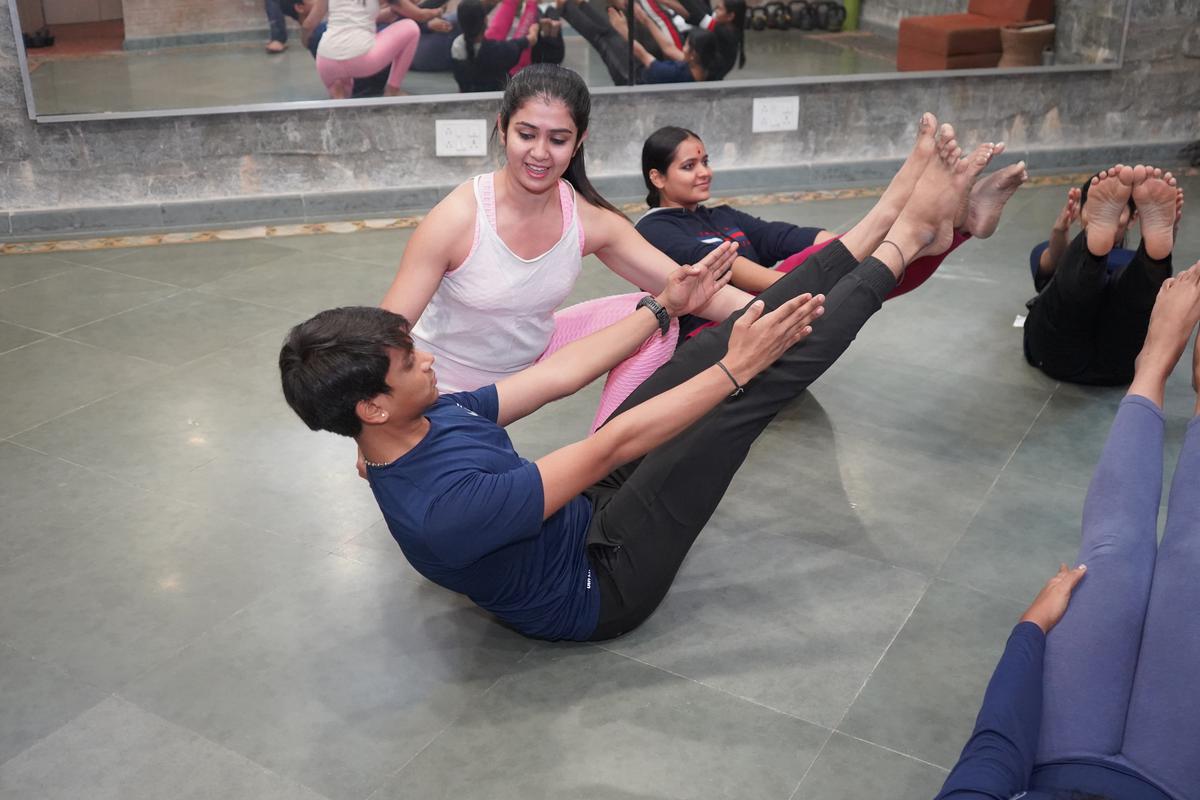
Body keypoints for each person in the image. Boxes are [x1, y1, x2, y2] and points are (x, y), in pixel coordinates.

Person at [281, 123, 982, 642]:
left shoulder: (423, 421)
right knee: (745, 390)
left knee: (699, 358)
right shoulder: (445, 506)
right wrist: (736, 369)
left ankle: (886, 221)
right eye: (410, 363)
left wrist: (662, 309)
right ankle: (903, 239)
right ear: (372, 406)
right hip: (601, 582)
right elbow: (608, 448)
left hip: (576, 515)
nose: (428, 359)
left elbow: (556, 376)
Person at [937, 261, 1200, 800]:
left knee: (1113, 552)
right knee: (1194, 563)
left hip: (1057, 757)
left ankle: (1151, 364)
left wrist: (1030, 630)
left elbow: (991, 755)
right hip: (1172, 782)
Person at [380, 64, 758, 434]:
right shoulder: (457, 219)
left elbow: (687, 289)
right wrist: (375, 433)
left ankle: (607, 454)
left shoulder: (587, 219)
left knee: (656, 317)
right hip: (445, 394)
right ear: (502, 127)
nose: (540, 153)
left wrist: (777, 313)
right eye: (526, 135)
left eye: (558, 140)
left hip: (530, 368)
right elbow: (382, 336)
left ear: (579, 142)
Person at [635, 123, 1028, 336]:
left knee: (867, 265)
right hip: (715, 335)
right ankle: (919, 211)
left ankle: (956, 224)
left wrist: (846, 250)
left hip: (773, 310)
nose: (705, 171)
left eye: (705, 160)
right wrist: (813, 279)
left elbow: (790, 236)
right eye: (689, 166)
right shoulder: (653, 231)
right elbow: (724, 272)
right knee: (844, 268)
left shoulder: (722, 215)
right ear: (657, 177)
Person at [1024, 164, 1184, 386]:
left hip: (1057, 356)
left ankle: (1144, 254)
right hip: (1120, 365)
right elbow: (1045, 274)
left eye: (1118, 211)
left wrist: (1167, 235)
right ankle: (1149, 257)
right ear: (1080, 214)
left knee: (1132, 288)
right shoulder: (1066, 257)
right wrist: (1059, 231)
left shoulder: (1131, 264)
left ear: (1133, 219)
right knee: (1093, 285)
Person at [559, 0, 723, 85]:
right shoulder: (701, 67)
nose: (684, 47)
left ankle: (565, 7)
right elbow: (669, 48)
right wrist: (643, 18)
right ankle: (578, 4)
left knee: (604, 38)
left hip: (632, 77)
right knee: (610, 33)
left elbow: (643, 55)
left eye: (687, 45)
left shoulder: (674, 74)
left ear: (694, 54)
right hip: (644, 67)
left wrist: (624, 31)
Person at [304, 0, 425, 98]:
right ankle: (393, 89)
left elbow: (308, 25)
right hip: (362, 60)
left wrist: (305, 42)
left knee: (321, 34)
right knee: (411, 27)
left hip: (326, 61)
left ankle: (338, 89)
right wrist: (437, 12)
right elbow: (418, 15)